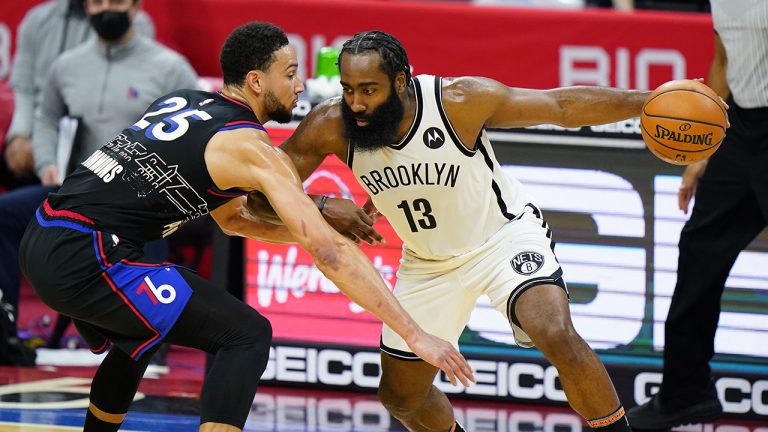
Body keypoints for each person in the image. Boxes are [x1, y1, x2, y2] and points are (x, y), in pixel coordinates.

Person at [245, 30, 716, 432]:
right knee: (400, 396)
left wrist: (647, 100)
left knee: (555, 332)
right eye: (348, 89)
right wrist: (324, 206)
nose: (357, 103)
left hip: (503, 238)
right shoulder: (331, 124)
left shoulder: (459, 101)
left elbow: (560, 106)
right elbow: (259, 198)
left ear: (402, 81)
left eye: (369, 89)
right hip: (427, 264)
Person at [18, 22, 474, 432]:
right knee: (246, 334)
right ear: (257, 81)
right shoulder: (253, 149)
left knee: (140, 330)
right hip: (88, 254)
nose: (301, 85)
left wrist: (312, 224)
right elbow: (328, 254)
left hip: (44, 236)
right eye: (290, 73)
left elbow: (235, 219)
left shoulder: (185, 101)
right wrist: (413, 333)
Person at [627, 0, 767, 429]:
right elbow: (725, 59)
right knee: (698, 250)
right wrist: (702, 150)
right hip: (741, 131)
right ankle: (684, 393)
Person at [0, 0, 155, 332]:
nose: (106, 10)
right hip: (71, 182)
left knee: (151, 221)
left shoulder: (164, 64)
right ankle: (5, 329)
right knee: (4, 213)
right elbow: (41, 109)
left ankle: (146, 334)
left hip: (134, 193)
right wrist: (40, 155)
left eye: (116, 2)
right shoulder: (63, 60)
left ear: (136, 8)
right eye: (97, 3)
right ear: (88, 8)